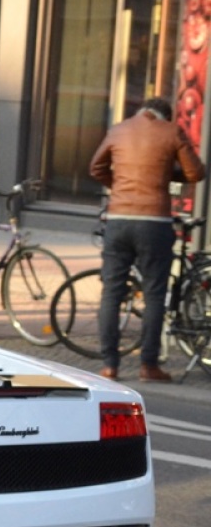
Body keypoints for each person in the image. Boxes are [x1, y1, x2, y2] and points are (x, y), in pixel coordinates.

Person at [89, 96, 206, 382]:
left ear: (141, 112)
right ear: (164, 116)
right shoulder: (171, 131)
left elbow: (96, 168)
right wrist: (167, 174)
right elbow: (195, 172)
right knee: (154, 294)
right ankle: (148, 366)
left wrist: (119, 188)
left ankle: (110, 365)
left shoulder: (118, 130)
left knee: (112, 292)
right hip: (154, 222)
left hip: (117, 220)